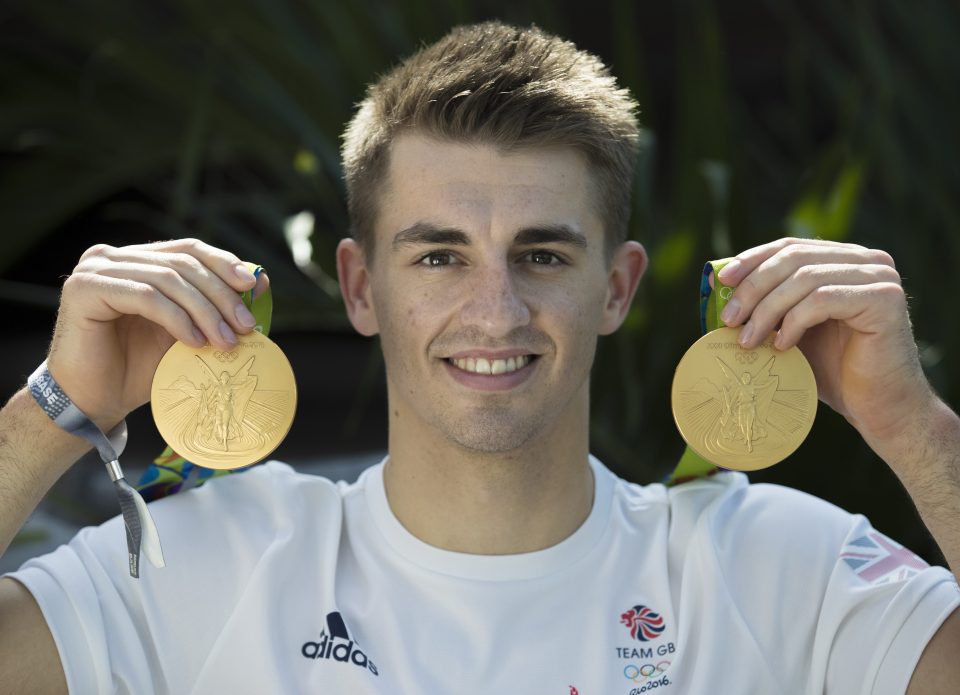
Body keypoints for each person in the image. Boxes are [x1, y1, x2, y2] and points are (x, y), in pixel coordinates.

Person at [1, 21, 958, 694]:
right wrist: (51, 411)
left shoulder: (770, 563)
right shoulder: (204, 559)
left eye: (542, 254)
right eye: (440, 255)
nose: (495, 309)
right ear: (361, 286)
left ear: (617, 287)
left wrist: (913, 428)